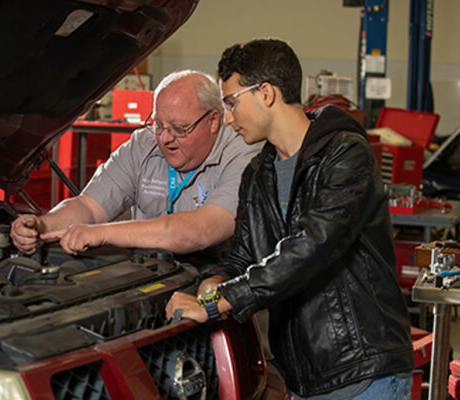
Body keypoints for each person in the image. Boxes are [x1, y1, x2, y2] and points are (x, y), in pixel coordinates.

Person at [166, 39, 414, 399]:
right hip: (303, 377)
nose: (229, 118)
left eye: (232, 102)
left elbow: (313, 244)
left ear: (266, 93)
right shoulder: (257, 173)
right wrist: (213, 282)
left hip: (361, 373)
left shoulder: (344, 153)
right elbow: (243, 257)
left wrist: (217, 302)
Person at [11, 70, 261, 264]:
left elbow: (200, 230)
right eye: (159, 125)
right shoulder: (143, 144)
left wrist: (102, 233)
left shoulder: (242, 151)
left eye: (179, 128)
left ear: (213, 120)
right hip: (147, 273)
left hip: (214, 280)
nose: (164, 138)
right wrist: (42, 225)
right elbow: (89, 205)